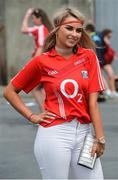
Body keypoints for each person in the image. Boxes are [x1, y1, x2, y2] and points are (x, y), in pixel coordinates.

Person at [3, 7, 106, 179]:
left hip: (85, 134)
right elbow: (10, 91)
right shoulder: (41, 61)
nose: (75, 34)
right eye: (69, 28)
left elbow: (93, 103)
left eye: (79, 30)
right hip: (55, 134)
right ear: (57, 28)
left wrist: (100, 138)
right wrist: (31, 116)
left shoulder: (88, 57)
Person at [21, 8, 53, 111]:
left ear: (39, 18)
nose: (33, 21)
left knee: (35, 89)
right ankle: (50, 113)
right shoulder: (48, 28)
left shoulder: (40, 29)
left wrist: (27, 15)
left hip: (42, 63)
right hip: (50, 62)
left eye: (34, 19)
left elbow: (40, 47)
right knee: (43, 89)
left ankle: (46, 115)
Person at [85, 23, 110, 100]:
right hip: (100, 58)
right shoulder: (97, 37)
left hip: (96, 58)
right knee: (100, 75)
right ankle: (105, 91)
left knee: (99, 76)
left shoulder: (91, 37)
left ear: (88, 30)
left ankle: (106, 91)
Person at [101, 29, 118, 98]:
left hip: (105, 61)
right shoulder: (100, 39)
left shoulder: (106, 41)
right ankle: (107, 91)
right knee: (100, 76)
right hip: (100, 60)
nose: (109, 38)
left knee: (111, 74)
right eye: (108, 36)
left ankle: (113, 91)